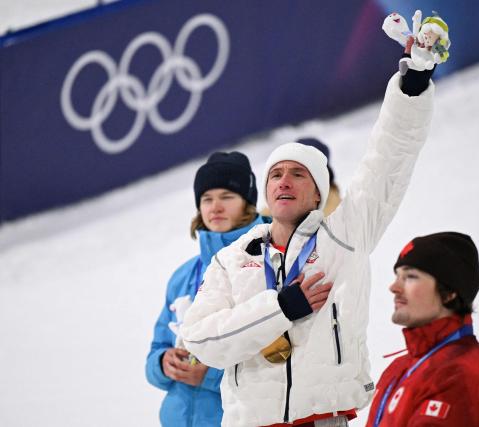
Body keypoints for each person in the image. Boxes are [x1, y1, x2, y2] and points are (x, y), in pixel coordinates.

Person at [180, 40, 437, 427]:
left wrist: (412, 86)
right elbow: (200, 339)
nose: (285, 181)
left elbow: (388, 161)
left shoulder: (344, 238)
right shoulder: (233, 258)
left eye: (298, 174)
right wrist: (280, 309)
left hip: (324, 419)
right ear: (266, 191)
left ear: (318, 193)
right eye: (276, 175)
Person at [145, 151, 270, 427]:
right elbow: (157, 346)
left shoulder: (268, 263)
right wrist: (162, 364)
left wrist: (210, 377)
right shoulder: (183, 276)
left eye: (227, 197)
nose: (215, 207)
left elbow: (276, 355)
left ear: (248, 204)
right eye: (206, 198)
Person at [365, 232, 479, 427]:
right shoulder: (401, 367)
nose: (394, 287)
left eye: (410, 277)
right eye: (397, 276)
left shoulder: (459, 375)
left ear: (449, 292)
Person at [261, 137, 341, 217]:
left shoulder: (338, 215)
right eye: (277, 175)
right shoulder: (266, 216)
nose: (283, 183)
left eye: (297, 175)